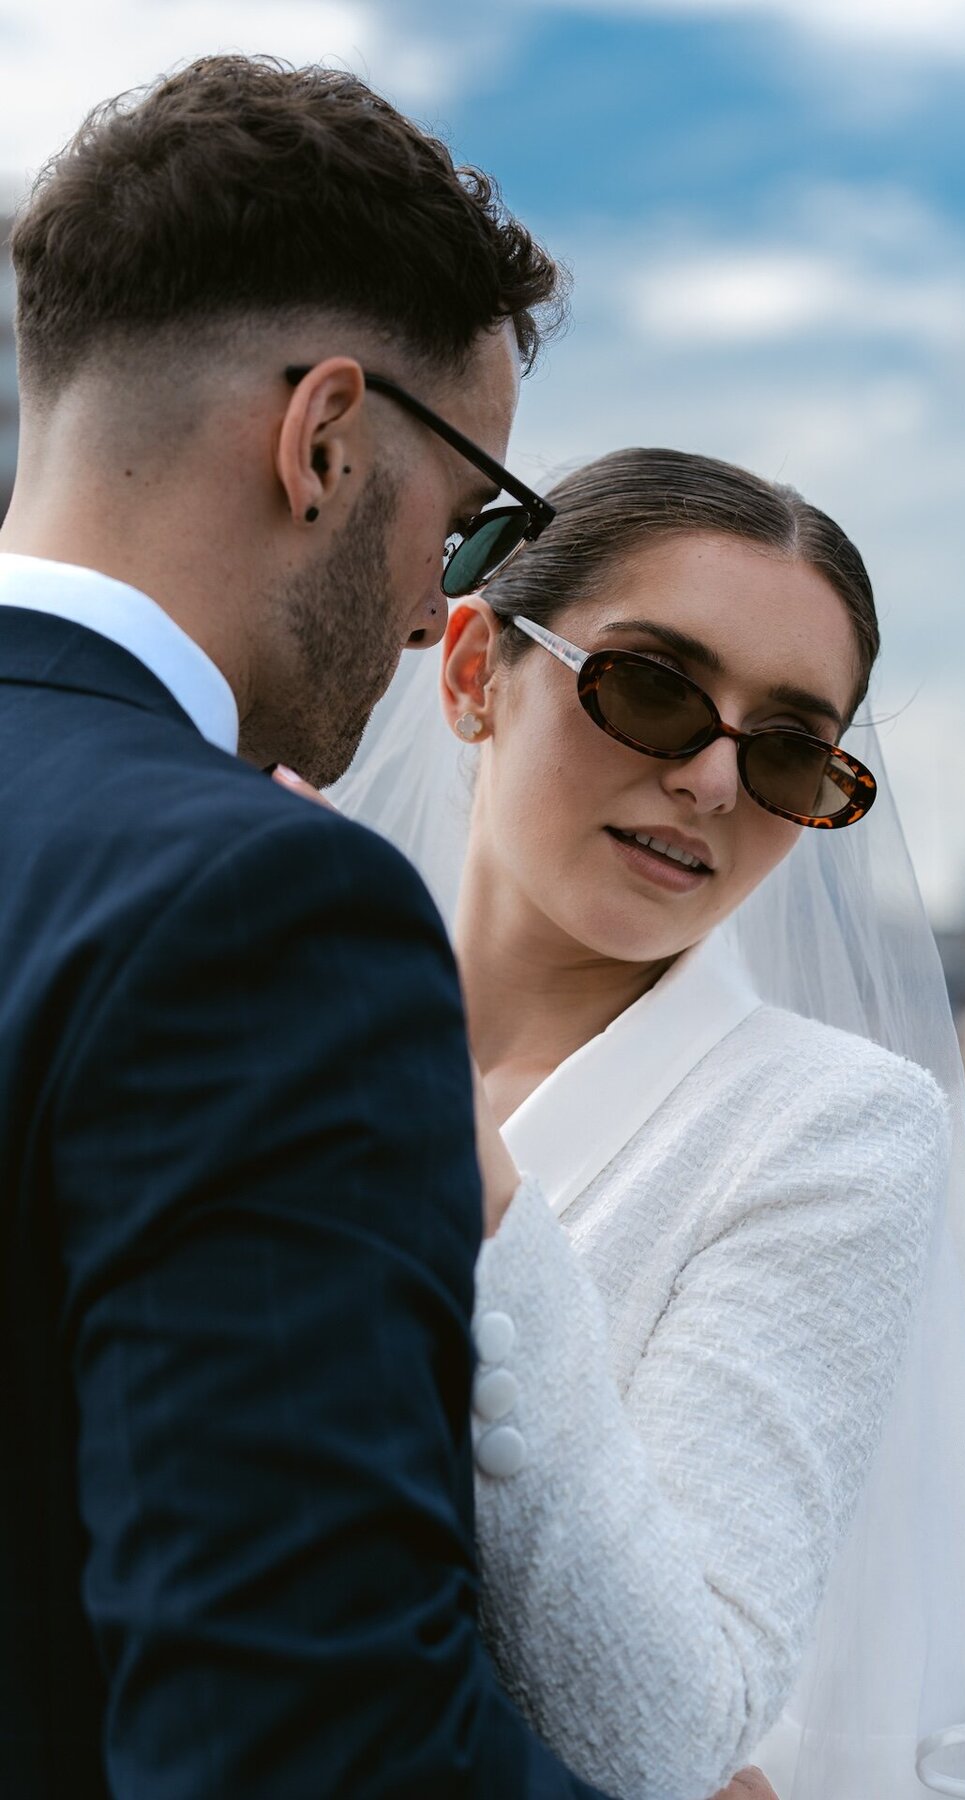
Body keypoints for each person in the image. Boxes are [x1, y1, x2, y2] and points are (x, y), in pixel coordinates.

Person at [0, 54, 723, 1800]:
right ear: (323, 440)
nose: (439, 611)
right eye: (470, 516)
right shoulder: (254, 903)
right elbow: (295, 1742)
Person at [335, 448, 965, 1798]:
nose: (714, 785)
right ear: (468, 673)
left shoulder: (833, 1129)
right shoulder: (271, 1044)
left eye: (790, 750)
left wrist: (470, 1176)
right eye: (654, 689)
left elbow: (670, 1721)